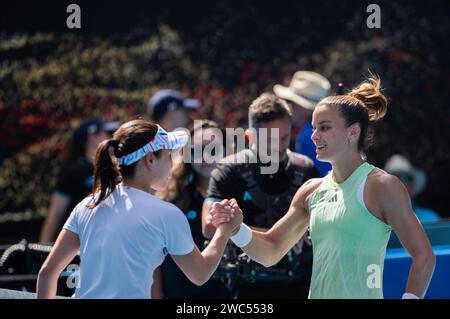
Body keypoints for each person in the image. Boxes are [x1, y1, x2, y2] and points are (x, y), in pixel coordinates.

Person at [211, 76, 436, 299]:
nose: (315, 135)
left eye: (325, 128)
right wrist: (236, 229)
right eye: (314, 127)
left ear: (353, 132)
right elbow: (270, 250)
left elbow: (424, 256)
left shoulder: (383, 186)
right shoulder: (310, 191)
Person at [36, 119, 242, 298]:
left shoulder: (87, 205)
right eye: (169, 156)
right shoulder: (166, 214)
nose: (172, 164)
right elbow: (200, 274)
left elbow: (47, 273)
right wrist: (225, 229)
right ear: (150, 159)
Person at [202, 93, 318, 298]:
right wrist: (281, 238)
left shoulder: (305, 168)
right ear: (250, 137)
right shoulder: (229, 171)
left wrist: (309, 230)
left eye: (285, 137)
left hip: (302, 284)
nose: (280, 146)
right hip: (249, 289)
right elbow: (210, 226)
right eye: (271, 139)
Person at [156, 120, 231, 298]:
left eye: (213, 149)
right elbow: (154, 263)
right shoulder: (170, 199)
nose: (206, 156)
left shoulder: (243, 193)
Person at [39, 118, 120, 243]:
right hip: (78, 245)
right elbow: (55, 214)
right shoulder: (73, 172)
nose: (112, 138)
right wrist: (41, 250)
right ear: (92, 137)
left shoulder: (113, 169)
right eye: (107, 134)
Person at [274, 70, 332, 176]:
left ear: (305, 107)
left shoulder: (308, 137)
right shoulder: (328, 130)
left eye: (290, 102)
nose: (287, 107)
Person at [384, 154, 440, 223]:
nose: (401, 183)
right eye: (394, 179)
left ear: (413, 185)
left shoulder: (431, 218)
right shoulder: (374, 220)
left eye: (406, 178)